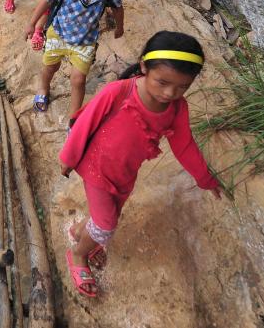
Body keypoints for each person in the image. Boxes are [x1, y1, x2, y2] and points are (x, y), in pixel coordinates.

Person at [58, 31, 222, 297]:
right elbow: (84, 124)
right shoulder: (118, 92)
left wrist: (205, 178)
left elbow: (184, 145)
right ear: (144, 66)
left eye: (182, 87)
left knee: (111, 213)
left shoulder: (177, 108)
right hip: (97, 168)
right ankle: (78, 254)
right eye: (162, 82)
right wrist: (68, 158)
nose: (170, 93)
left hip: (125, 173)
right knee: (107, 223)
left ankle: (80, 232)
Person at [24, 0, 126, 115]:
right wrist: (32, 23)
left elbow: (117, 8)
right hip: (59, 33)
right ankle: (43, 89)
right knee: (50, 66)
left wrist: (120, 27)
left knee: (78, 80)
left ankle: (74, 116)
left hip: (85, 40)